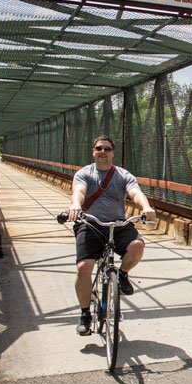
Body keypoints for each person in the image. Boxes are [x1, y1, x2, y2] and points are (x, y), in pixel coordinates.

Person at [67, 135, 156, 335]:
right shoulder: (84, 174)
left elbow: (135, 193)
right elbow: (79, 192)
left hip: (118, 224)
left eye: (107, 149)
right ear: (93, 151)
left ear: (113, 153)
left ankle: (123, 274)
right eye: (99, 148)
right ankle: (84, 314)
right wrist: (75, 205)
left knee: (138, 246)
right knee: (83, 267)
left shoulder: (123, 175)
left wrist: (146, 206)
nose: (103, 152)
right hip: (91, 224)